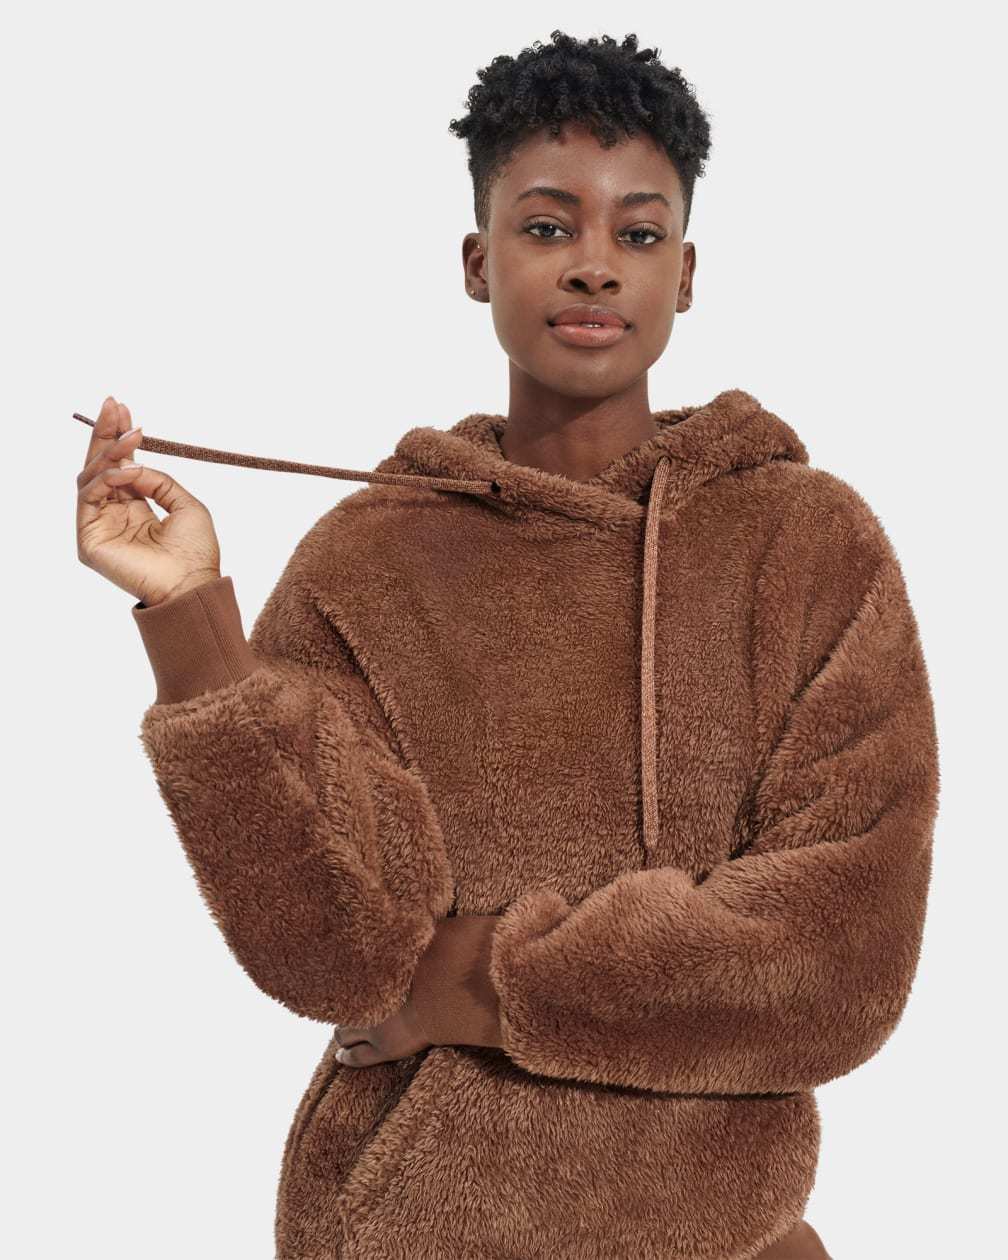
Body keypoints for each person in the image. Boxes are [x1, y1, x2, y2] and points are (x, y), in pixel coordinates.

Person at [74, 29, 939, 1260]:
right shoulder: (366, 563)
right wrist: (195, 625)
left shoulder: (807, 545)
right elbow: (329, 956)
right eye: (546, 226)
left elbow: (839, 962)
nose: (594, 265)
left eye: (638, 234)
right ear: (478, 263)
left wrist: (471, 981)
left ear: (687, 274)